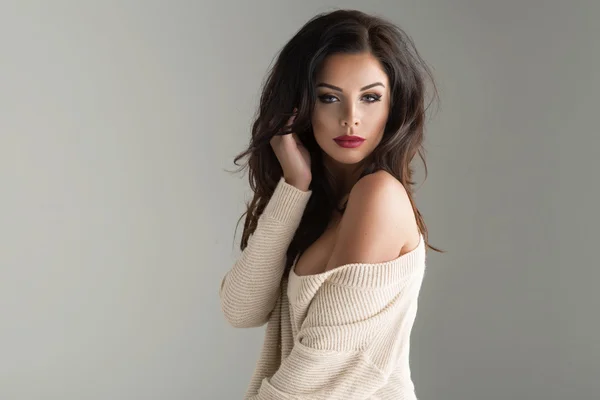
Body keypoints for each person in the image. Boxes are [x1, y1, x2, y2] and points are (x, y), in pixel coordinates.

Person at [220, 8, 444, 399]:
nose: (351, 119)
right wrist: (294, 185)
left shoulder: (379, 197)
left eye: (371, 97)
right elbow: (242, 309)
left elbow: (323, 364)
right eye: (329, 98)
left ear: (395, 107)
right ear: (300, 107)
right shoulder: (317, 206)